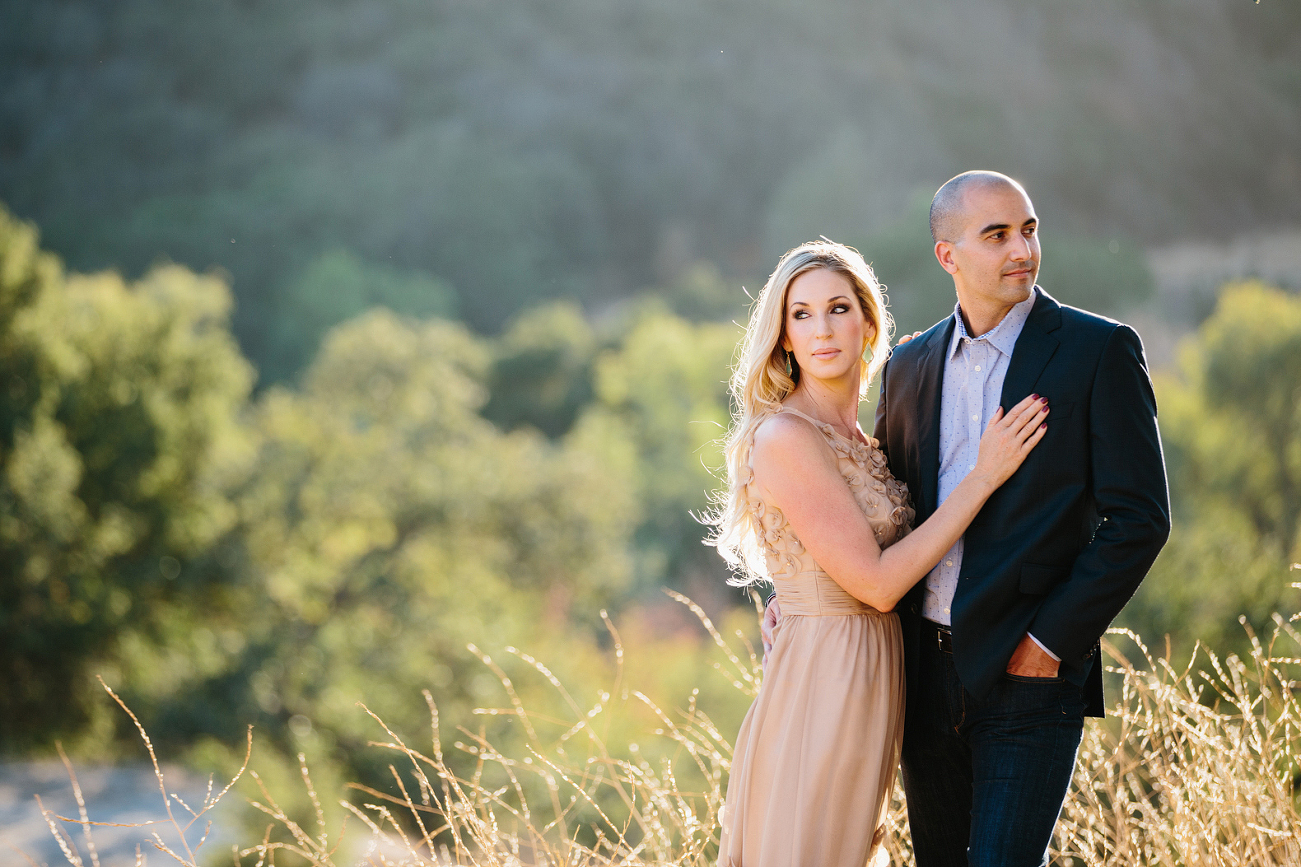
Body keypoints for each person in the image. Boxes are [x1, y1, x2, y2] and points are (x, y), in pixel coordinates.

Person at [765, 171, 1171, 866]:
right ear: (947, 256)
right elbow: (889, 510)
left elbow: (1139, 519)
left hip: (1028, 675)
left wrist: (1048, 642)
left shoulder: (1095, 351)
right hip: (920, 677)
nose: (1021, 249)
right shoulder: (907, 366)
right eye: (996, 235)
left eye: (1028, 230)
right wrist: (807, 581)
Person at [710, 239, 1050, 867]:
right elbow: (876, 583)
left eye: (838, 308)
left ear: (868, 321)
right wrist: (985, 474)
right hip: (827, 677)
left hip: (878, 672)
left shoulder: (868, 438)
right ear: (783, 336)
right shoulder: (787, 436)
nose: (822, 330)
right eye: (801, 315)